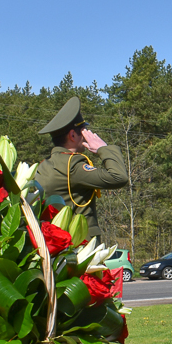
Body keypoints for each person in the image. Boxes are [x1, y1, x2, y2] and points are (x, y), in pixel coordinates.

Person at [34, 96, 127, 239]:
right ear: (72, 135)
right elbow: (119, 177)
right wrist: (104, 149)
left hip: (53, 245)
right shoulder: (72, 166)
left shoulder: (43, 165)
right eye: (84, 131)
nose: (86, 136)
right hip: (79, 248)